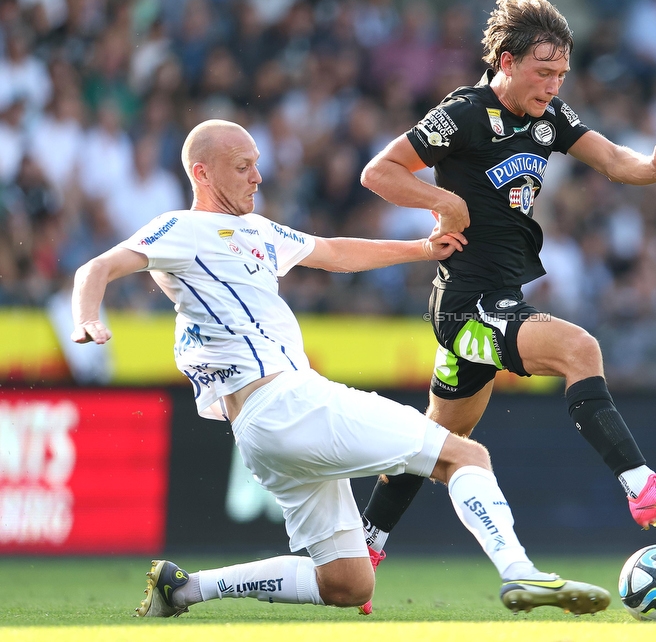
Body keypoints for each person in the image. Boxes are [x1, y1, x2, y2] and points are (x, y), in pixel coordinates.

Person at [71, 119, 611, 617]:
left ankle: (185, 588)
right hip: (284, 401)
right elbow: (97, 267)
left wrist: (423, 249)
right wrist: (88, 319)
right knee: (464, 453)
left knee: (348, 585)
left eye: (257, 163)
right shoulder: (180, 228)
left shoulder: (257, 231)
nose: (258, 176)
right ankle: (520, 573)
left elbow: (333, 251)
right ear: (201, 172)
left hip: (262, 432)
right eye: (243, 167)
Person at [357, 0, 656, 588]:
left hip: (496, 296)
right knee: (581, 349)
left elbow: (612, 160)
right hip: (467, 302)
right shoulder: (465, 113)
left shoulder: (551, 117)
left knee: (437, 442)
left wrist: (654, 167)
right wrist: (441, 200)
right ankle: (641, 486)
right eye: (542, 72)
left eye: (560, 73)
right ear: (506, 61)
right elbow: (380, 171)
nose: (553, 85)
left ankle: (364, 546)